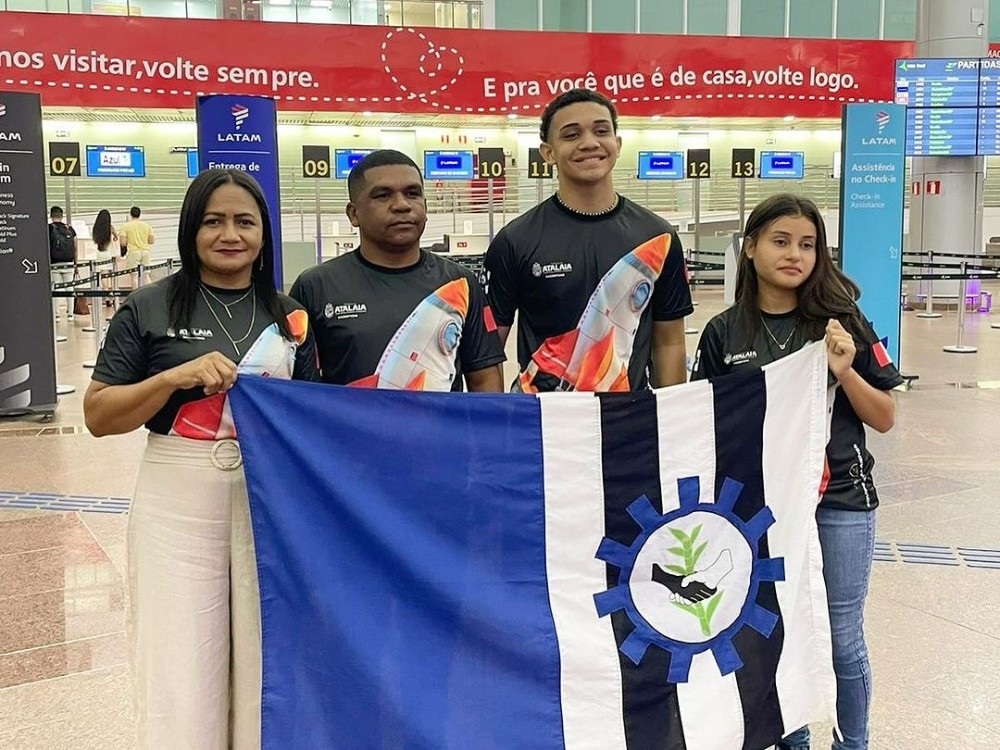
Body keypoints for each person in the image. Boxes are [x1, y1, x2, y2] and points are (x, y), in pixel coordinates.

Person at [83, 168, 320, 749]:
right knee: (181, 658)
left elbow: (315, 415)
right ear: (191, 228)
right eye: (213, 221)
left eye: (245, 222)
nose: (230, 234)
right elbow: (98, 415)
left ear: (264, 232)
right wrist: (171, 378)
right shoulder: (148, 306)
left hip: (269, 495)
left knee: (267, 655)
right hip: (178, 496)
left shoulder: (290, 316)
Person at [690, 193, 902, 750]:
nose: (795, 255)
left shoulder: (842, 323)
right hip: (761, 507)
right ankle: (792, 737)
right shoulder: (723, 332)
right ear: (750, 247)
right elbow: (701, 422)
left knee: (842, 636)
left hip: (841, 499)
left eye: (807, 245)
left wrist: (845, 370)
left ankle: (852, 743)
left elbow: (884, 417)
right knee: (771, 630)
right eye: (781, 241)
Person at [482, 89, 692, 393]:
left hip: (628, 415)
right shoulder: (514, 240)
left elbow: (669, 342)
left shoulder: (658, 236)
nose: (590, 142)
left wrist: (670, 413)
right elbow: (488, 353)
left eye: (601, 131)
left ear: (617, 144)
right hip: (544, 414)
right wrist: (498, 417)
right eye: (571, 135)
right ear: (548, 153)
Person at [291, 149, 505, 392]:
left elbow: (484, 380)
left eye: (412, 193)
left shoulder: (460, 283)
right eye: (383, 195)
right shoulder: (315, 287)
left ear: (425, 206)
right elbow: (295, 389)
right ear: (353, 214)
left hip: (439, 419)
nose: (402, 205)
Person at [48, 205, 77, 321]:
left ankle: (56, 315)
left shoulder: (49, 229)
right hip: (69, 263)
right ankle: (70, 314)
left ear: (51, 216)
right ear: (61, 216)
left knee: (55, 289)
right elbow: (75, 247)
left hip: (54, 264)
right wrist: (76, 264)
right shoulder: (69, 229)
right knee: (69, 288)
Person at [120, 205, 155, 285]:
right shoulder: (147, 226)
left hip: (133, 252)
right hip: (145, 251)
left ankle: (135, 292)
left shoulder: (125, 226)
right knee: (146, 276)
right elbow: (151, 241)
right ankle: (149, 292)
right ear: (140, 214)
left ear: (130, 214)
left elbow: (123, 242)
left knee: (134, 277)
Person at [91, 209, 119, 305]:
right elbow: (116, 237)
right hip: (108, 253)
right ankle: (110, 297)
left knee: (101, 277)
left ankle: (104, 296)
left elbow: (94, 239)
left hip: (98, 254)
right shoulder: (110, 227)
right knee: (108, 276)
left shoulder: (95, 228)